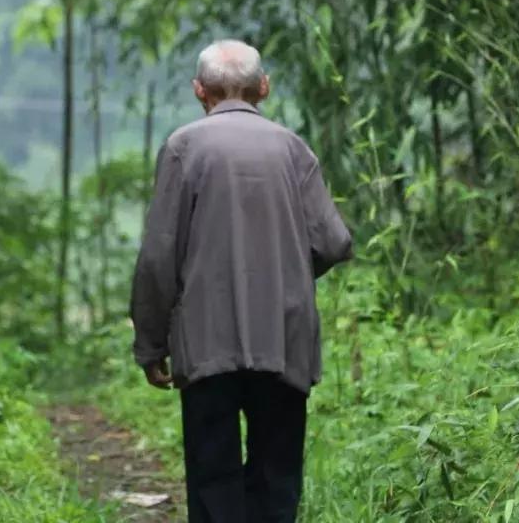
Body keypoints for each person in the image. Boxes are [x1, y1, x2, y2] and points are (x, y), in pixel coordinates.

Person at [129, 39, 353, 522]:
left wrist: (150, 345)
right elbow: (334, 242)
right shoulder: (293, 149)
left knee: (214, 477)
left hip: (208, 340)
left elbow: (158, 258)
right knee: (277, 477)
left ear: (198, 91)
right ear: (264, 88)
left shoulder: (183, 148)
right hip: (283, 336)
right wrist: (286, 270)